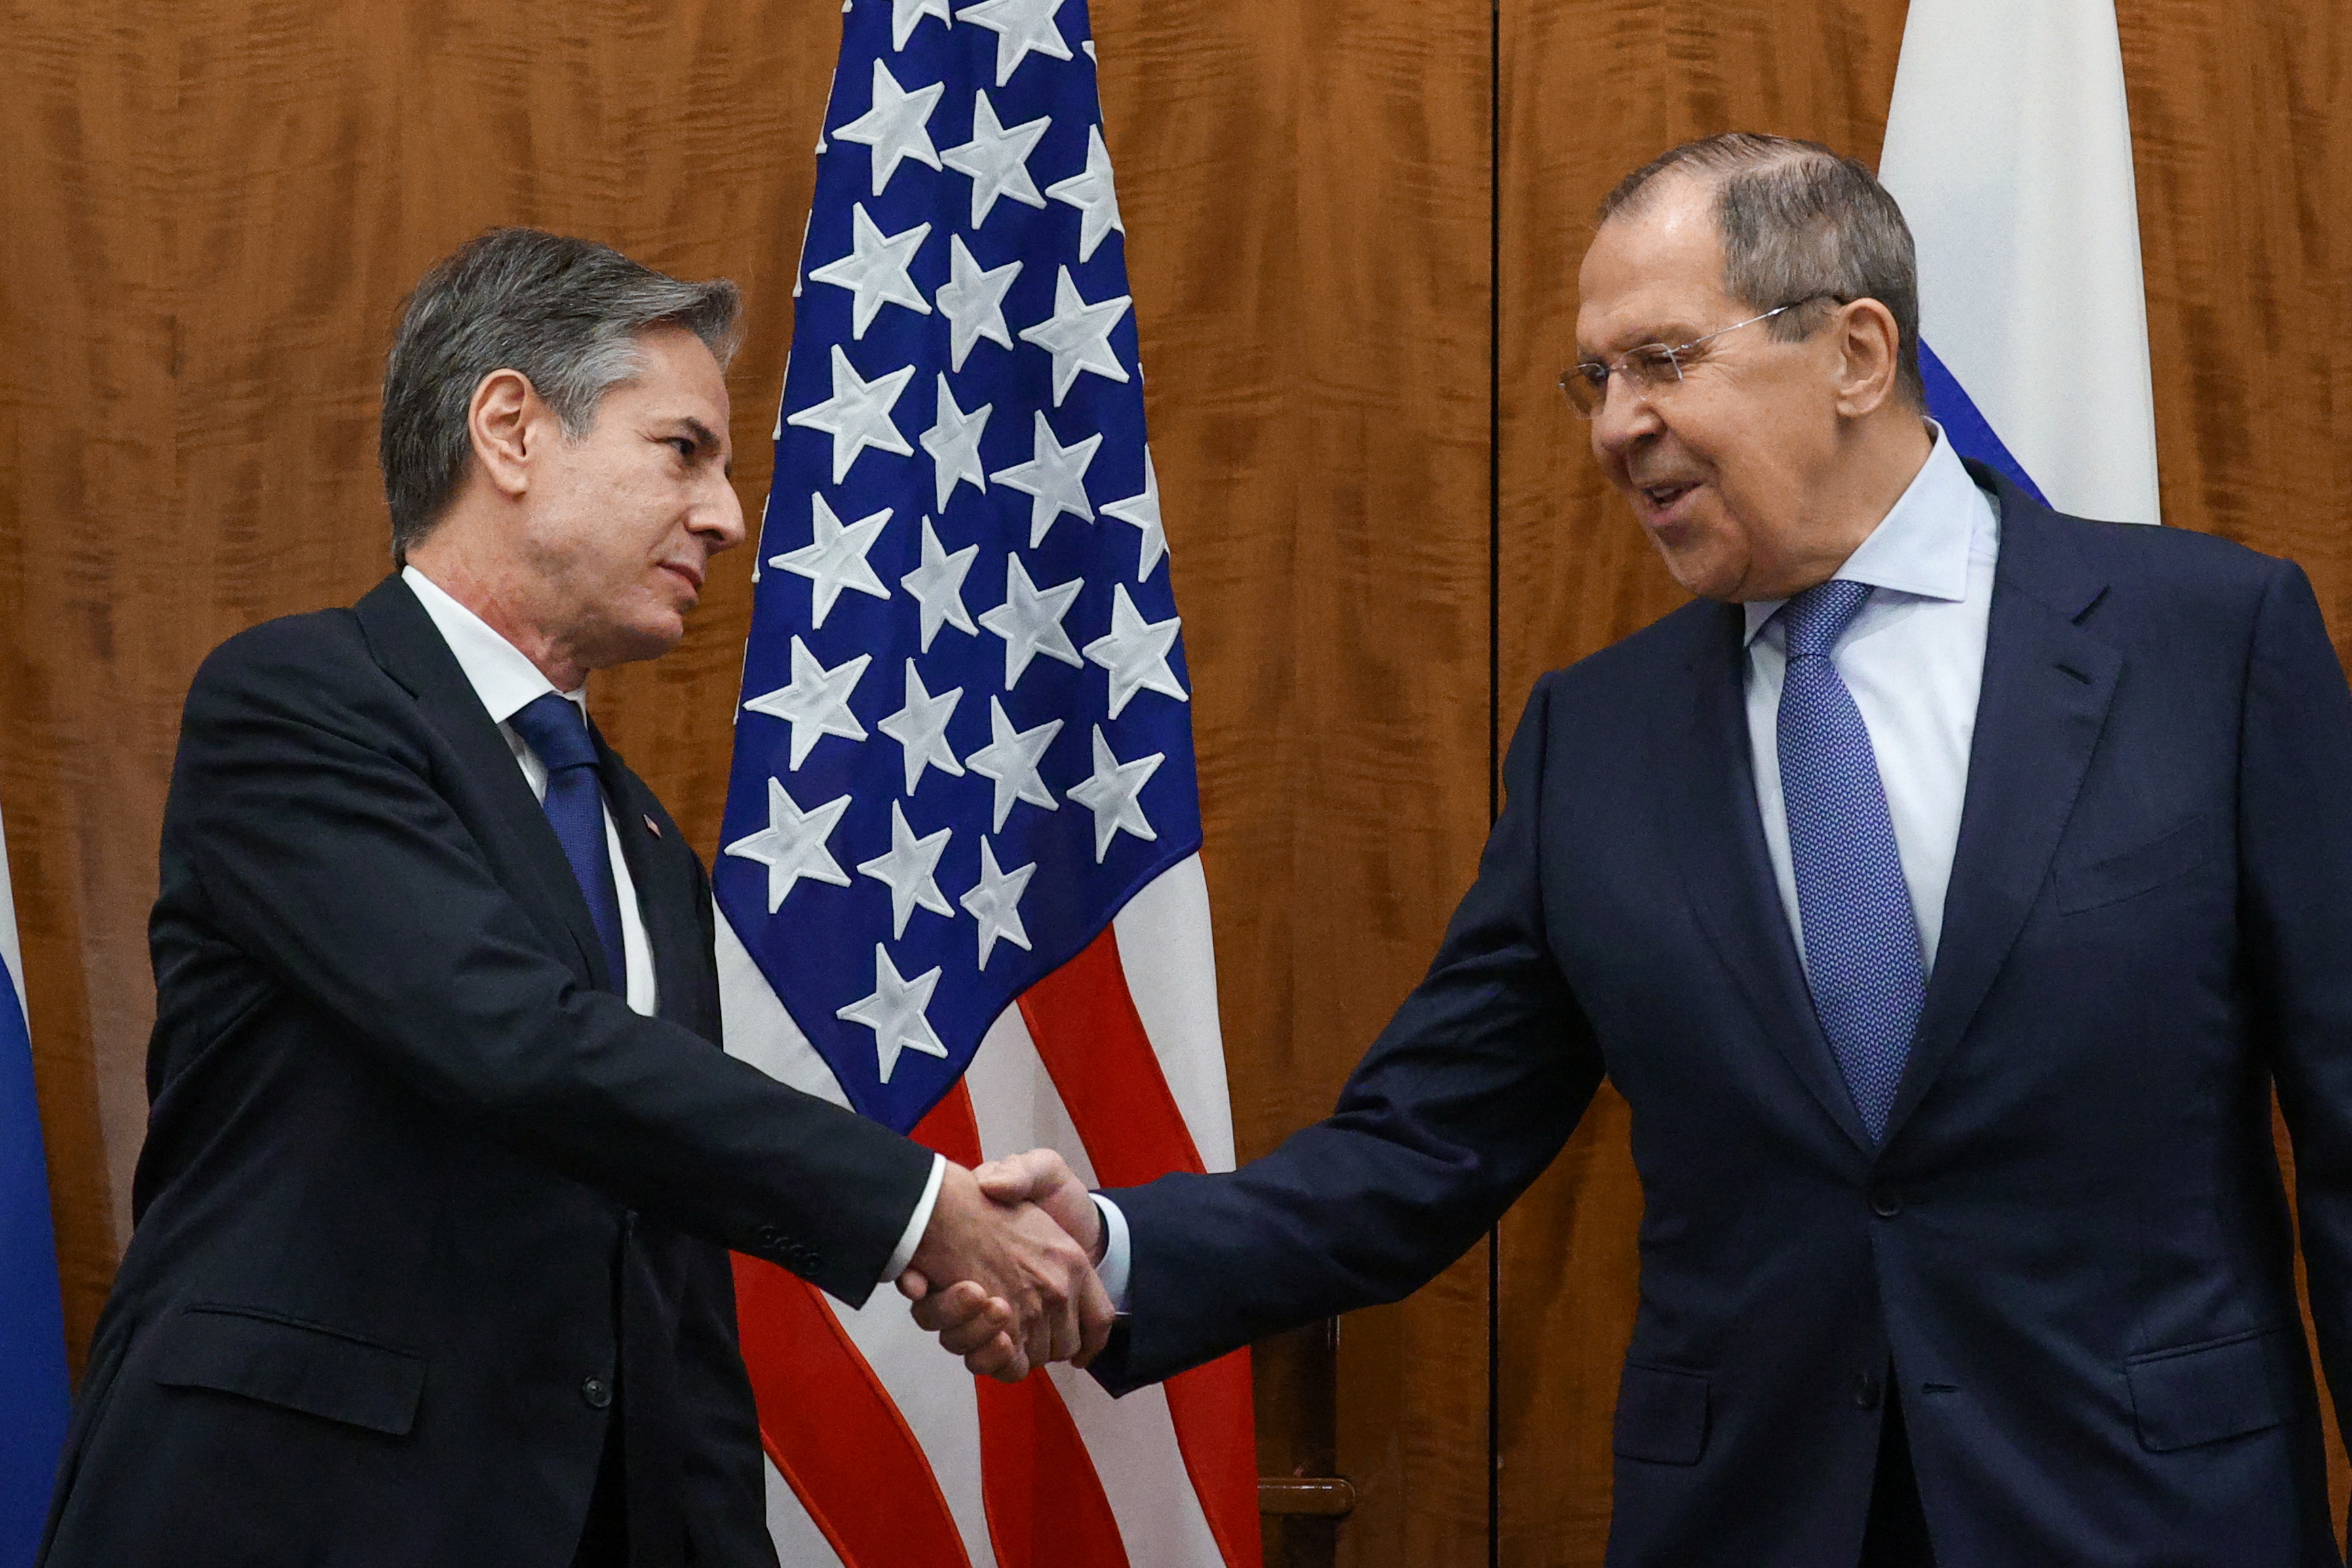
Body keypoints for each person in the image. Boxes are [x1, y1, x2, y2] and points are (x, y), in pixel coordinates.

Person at [914, 134, 2352, 1566]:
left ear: (1855, 352)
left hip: (2148, 1516)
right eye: (1593, 381)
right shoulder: (1593, 742)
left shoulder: (2203, 647)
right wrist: (1106, 1251)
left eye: (1662, 361)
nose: (1614, 426)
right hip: (1754, 1522)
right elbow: (1423, 1145)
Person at [39, 229, 1106, 1568]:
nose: (723, 514)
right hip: (288, 1513)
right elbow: (515, 1039)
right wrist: (916, 1210)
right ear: (510, 429)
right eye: (683, 451)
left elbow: (670, 1262)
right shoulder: (300, 701)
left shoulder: (638, 832)